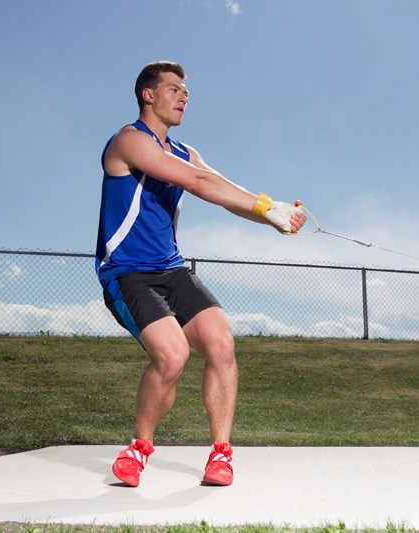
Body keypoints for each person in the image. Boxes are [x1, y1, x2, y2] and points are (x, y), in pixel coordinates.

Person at [95, 61, 306, 487]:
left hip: (172, 270)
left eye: (186, 91)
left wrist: (276, 217)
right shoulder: (129, 141)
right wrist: (269, 208)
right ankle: (138, 449)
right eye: (174, 89)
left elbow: (224, 191)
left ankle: (221, 456)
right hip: (128, 273)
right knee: (172, 357)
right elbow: (197, 183)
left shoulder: (185, 152)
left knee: (221, 343)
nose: (184, 96)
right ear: (148, 95)